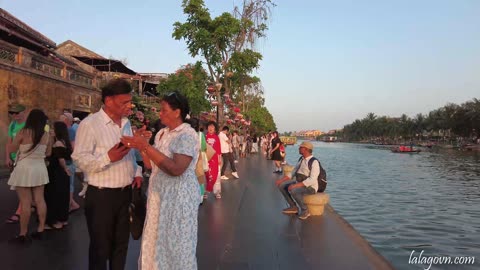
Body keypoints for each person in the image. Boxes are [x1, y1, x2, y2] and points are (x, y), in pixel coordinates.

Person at [121, 91, 200, 269]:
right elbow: (150, 165)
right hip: (159, 196)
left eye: (164, 110)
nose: (160, 113)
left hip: (178, 199)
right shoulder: (162, 133)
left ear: (177, 112)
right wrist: (141, 146)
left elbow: (176, 169)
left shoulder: (186, 135)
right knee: (156, 241)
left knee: (176, 245)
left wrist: (146, 146)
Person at [72, 78, 143, 270]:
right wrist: (107, 158)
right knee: (100, 248)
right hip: (101, 195)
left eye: (129, 102)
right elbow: (79, 158)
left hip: (125, 193)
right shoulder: (90, 124)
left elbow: (131, 156)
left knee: (121, 246)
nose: (129, 106)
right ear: (109, 101)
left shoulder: (126, 124)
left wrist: (137, 172)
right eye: (124, 102)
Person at [7, 109, 51, 243]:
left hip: (24, 169)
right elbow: (48, 153)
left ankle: (23, 234)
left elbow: (12, 149)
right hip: (40, 168)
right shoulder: (47, 135)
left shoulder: (23, 132)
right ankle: (41, 229)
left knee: (25, 202)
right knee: (40, 200)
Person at [275, 141, 320, 220]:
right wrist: (281, 180)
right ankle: (293, 207)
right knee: (282, 186)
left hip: (310, 187)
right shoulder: (301, 159)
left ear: (305, 149)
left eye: (300, 147)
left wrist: (295, 185)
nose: (299, 148)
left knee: (294, 190)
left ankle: (305, 210)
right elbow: (293, 173)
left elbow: (312, 180)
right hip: (299, 182)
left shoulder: (314, 162)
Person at [45, 121, 73, 230]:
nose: (51, 130)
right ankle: (63, 219)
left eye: (53, 128)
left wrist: (65, 168)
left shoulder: (57, 144)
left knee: (55, 196)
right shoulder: (64, 142)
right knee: (62, 196)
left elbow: (61, 159)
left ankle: (56, 221)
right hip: (61, 174)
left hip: (56, 173)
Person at [5, 103, 27, 224]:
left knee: (21, 186)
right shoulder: (12, 125)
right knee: (19, 186)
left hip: (23, 159)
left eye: (17, 113)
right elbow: (9, 142)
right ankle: (29, 204)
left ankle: (19, 211)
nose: (14, 115)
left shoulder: (28, 126)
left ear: (24, 112)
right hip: (14, 159)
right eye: (12, 113)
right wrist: (7, 157)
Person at [60, 112, 80, 212]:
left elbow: (73, 147)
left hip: (69, 161)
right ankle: (72, 203)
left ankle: (69, 205)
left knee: (69, 184)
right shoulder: (67, 130)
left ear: (66, 120)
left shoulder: (70, 131)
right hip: (67, 160)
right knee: (67, 184)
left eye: (61, 118)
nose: (59, 120)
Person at [204, 121, 222, 199]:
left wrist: (219, 158)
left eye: (212, 127)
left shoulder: (216, 137)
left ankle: (217, 192)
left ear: (215, 128)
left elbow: (218, 149)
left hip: (214, 160)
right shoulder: (204, 137)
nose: (210, 128)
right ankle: (205, 191)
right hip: (206, 159)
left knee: (216, 175)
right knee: (207, 176)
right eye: (209, 126)